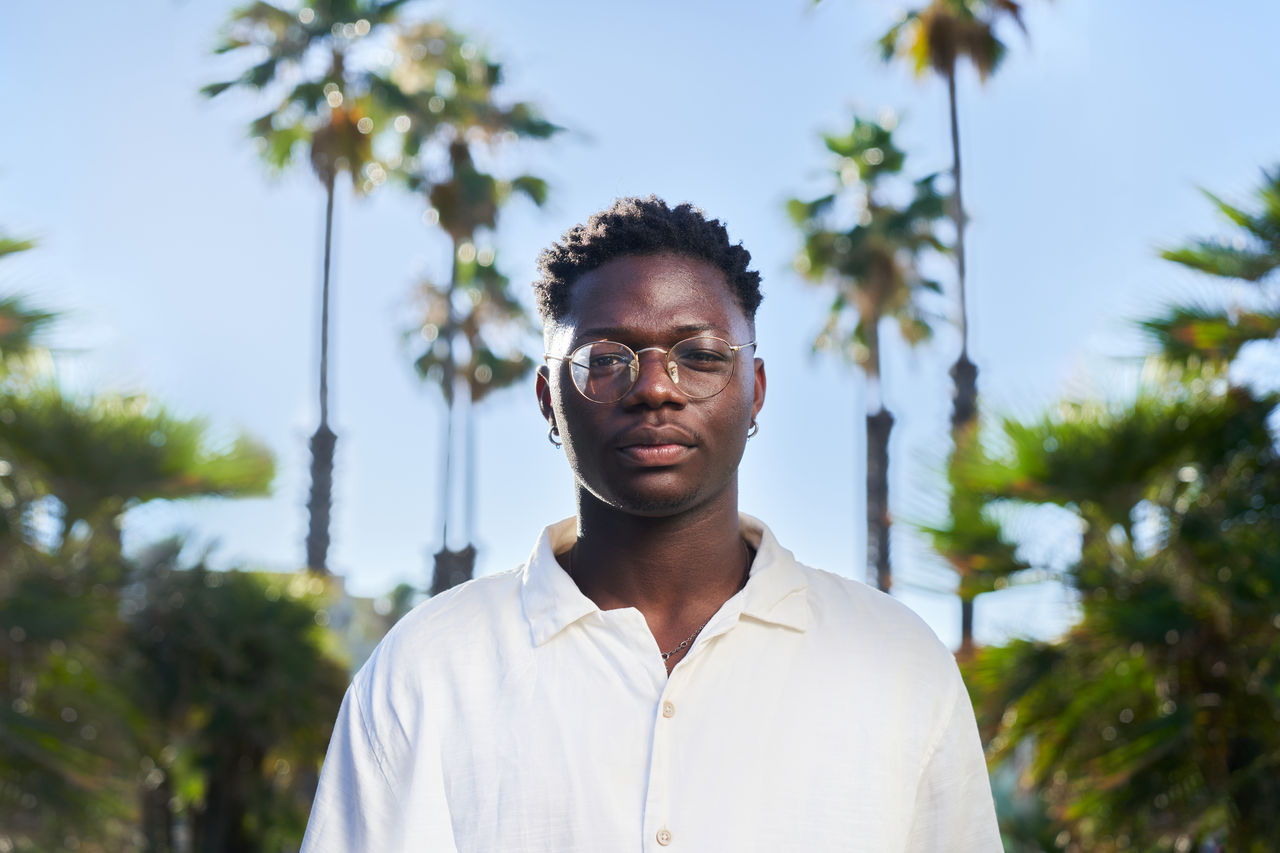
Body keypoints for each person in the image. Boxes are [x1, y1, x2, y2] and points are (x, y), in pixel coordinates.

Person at [300, 196, 1001, 852]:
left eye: (699, 356)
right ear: (549, 399)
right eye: (606, 359)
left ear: (754, 392)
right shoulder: (431, 667)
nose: (655, 387)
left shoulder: (896, 661)